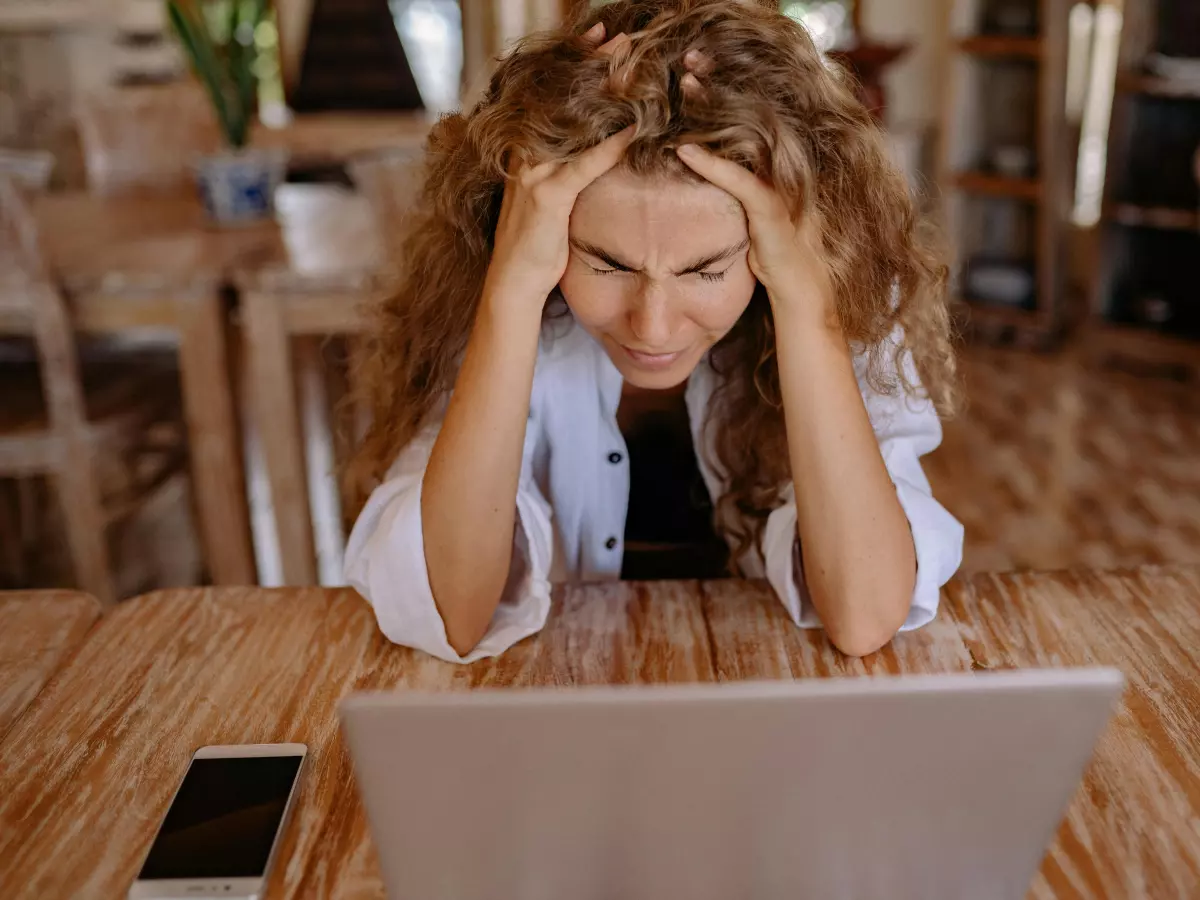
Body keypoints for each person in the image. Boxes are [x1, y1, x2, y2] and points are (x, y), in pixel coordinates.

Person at [345, 0, 964, 663]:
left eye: (705, 269)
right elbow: (451, 615)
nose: (653, 325)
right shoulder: (489, 292)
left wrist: (807, 306)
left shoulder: (841, 296)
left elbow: (865, 615)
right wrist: (511, 288)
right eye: (608, 263)